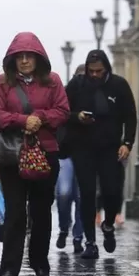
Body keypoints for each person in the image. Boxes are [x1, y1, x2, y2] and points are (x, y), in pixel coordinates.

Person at [0, 32, 70, 276]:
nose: (24, 61)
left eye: (29, 56)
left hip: (45, 153)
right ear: (12, 60)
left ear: (38, 58)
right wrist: (24, 121)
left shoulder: (53, 81)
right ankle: (9, 268)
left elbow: (63, 111)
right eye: (19, 57)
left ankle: (40, 264)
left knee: (41, 211)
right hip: (13, 155)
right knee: (15, 212)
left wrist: (41, 119)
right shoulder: (3, 83)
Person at [64, 50, 137, 259]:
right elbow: (61, 112)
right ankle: (90, 242)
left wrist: (127, 143)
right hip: (83, 148)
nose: (94, 75)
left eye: (99, 71)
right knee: (86, 194)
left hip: (110, 148)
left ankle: (108, 224)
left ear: (106, 69)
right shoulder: (77, 85)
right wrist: (77, 116)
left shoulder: (119, 85)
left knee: (112, 191)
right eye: (91, 71)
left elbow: (130, 116)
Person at [55, 63, 86, 254]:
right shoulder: (64, 96)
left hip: (86, 154)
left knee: (82, 197)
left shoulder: (96, 98)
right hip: (65, 152)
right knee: (64, 193)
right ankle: (64, 227)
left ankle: (78, 237)